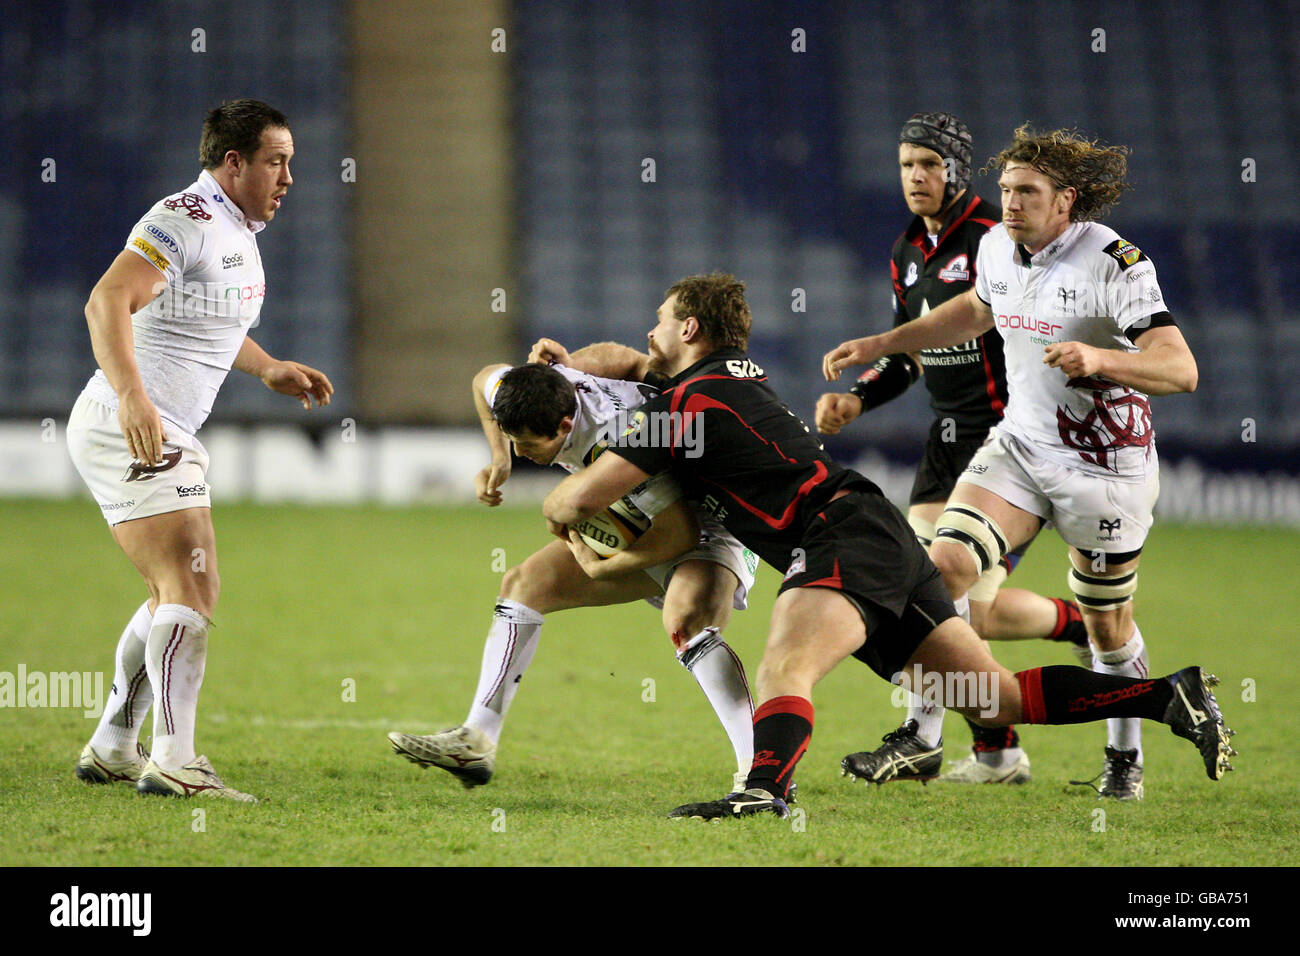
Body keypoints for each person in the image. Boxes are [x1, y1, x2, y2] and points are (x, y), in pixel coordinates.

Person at [540, 272, 1232, 820]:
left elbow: (577, 499)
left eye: (659, 319)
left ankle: (764, 793)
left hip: (838, 534)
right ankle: (1167, 696)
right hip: (876, 532)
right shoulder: (713, 385)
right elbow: (629, 364)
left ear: (688, 327)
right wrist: (568, 369)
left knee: (786, 666)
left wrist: (556, 503)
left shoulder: (687, 404)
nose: (648, 331)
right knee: (989, 699)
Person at [823, 125, 1199, 800]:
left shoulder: (1116, 261)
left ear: (1067, 202)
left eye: (1027, 191)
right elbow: (971, 313)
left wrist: (1104, 359)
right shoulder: (995, 246)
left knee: (1107, 627)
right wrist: (885, 340)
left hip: (1104, 468)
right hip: (1020, 447)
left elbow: (1180, 367)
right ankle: (922, 735)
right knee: (942, 567)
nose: (1012, 203)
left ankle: (1125, 757)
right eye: (1006, 190)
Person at [68, 100, 333, 803]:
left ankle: (114, 745)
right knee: (193, 585)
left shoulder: (234, 229)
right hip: (133, 423)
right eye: (277, 161)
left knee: (172, 592)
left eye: (292, 162)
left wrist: (267, 365)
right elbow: (107, 301)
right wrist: (133, 397)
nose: (288, 177)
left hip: (153, 425)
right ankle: (175, 760)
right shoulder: (183, 219)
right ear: (234, 161)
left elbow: (201, 319)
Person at [817, 113, 1089, 786]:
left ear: (958, 171)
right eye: (908, 163)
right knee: (958, 606)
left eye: (930, 164)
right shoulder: (909, 249)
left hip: (1003, 445)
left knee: (937, 593)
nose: (916, 176)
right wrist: (860, 397)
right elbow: (908, 353)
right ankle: (1005, 739)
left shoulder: (995, 240)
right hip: (945, 445)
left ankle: (926, 737)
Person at [387, 358, 761, 794]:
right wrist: (500, 457)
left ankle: (762, 771)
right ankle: (475, 741)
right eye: (515, 441)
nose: (523, 451)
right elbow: (481, 376)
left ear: (566, 425)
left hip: (709, 517)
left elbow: (680, 534)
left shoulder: (619, 438)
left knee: (688, 621)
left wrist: (603, 567)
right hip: (636, 508)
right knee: (523, 584)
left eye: (528, 445)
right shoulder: (535, 392)